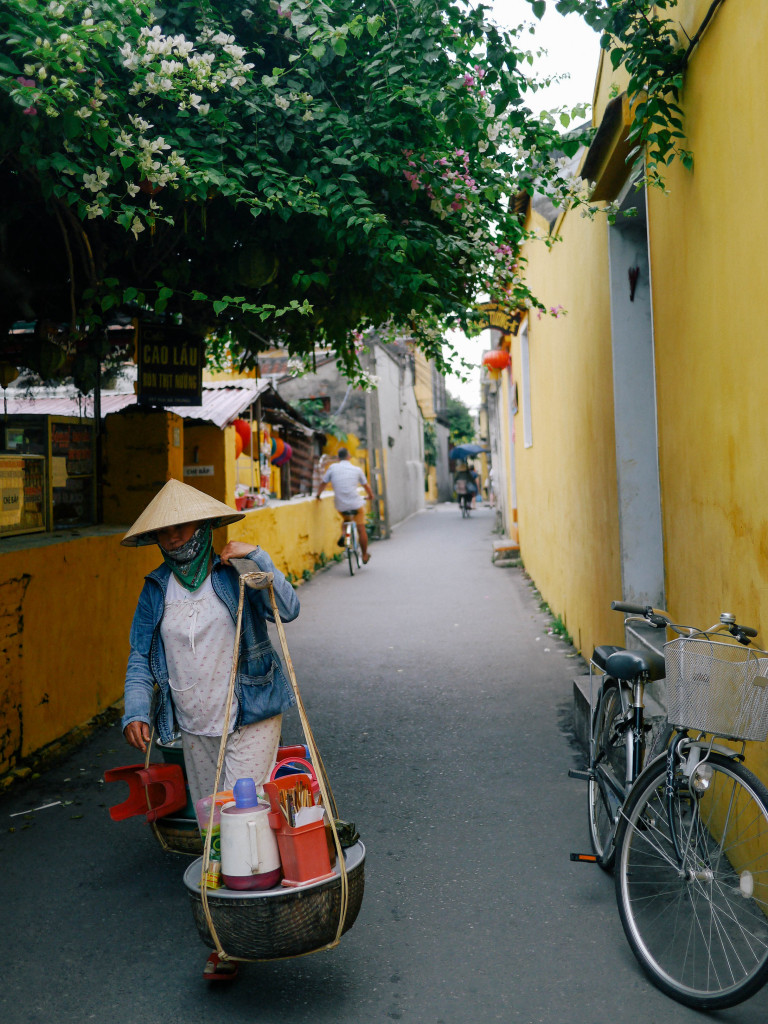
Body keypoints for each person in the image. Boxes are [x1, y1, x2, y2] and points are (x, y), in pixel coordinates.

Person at [121, 478, 300, 980]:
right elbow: (140, 655)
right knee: (215, 833)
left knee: (242, 818)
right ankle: (236, 925)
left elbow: (288, 609)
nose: (176, 541)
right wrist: (135, 709)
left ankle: (235, 942)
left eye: (182, 529)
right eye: (165, 534)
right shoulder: (156, 589)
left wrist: (258, 558)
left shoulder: (235, 573)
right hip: (194, 725)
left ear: (203, 525)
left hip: (251, 714)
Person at [315, 447, 375, 564]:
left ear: (338, 458)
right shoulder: (357, 469)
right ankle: (364, 555)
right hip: (355, 504)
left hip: (341, 504)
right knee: (361, 527)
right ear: (349, 457)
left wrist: (318, 495)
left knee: (345, 519)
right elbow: (366, 486)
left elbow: (323, 483)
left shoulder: (332, 468)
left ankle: (344, 534)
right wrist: (370, 496)